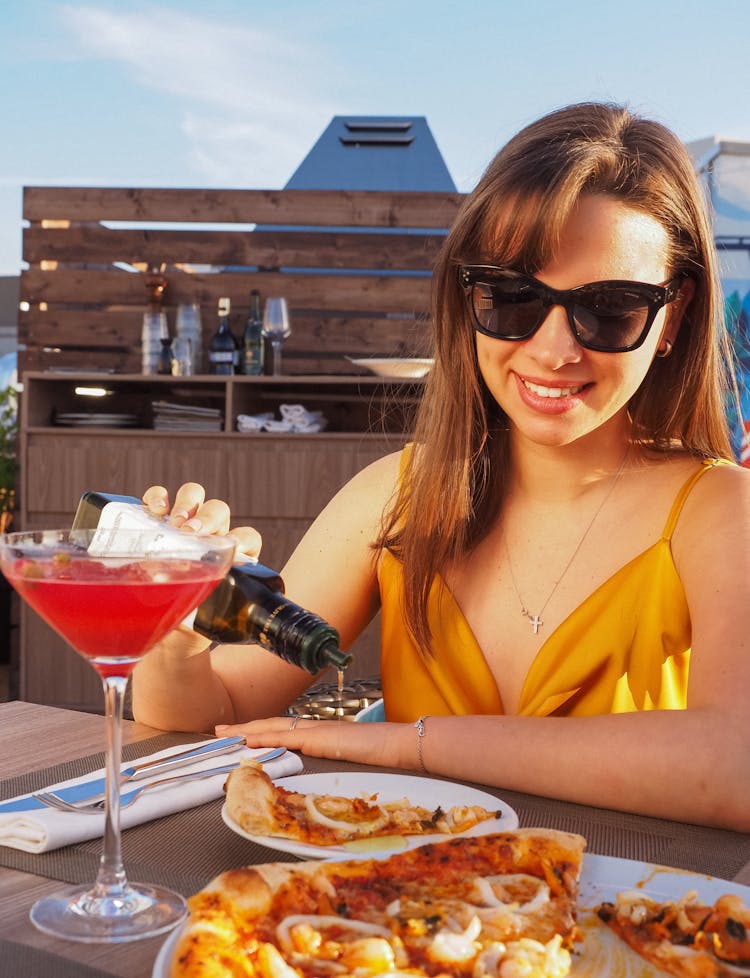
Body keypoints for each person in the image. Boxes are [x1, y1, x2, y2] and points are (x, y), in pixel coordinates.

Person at [133, 101, 750, 832]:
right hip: (398, 922)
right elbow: (211, 713)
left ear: (672, 316)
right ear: (470, 296)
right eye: (514, 297)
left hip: (627, 920)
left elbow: (734, 766)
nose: (555, 350)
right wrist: (174, 636)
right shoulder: (395, 495)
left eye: (610, 308)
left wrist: (411, 745)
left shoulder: (721, 511)